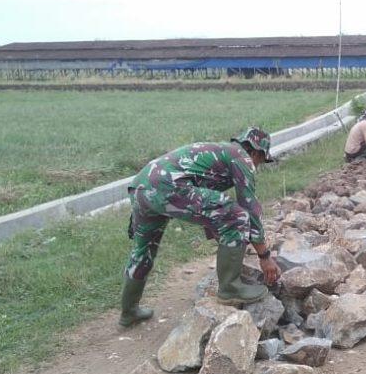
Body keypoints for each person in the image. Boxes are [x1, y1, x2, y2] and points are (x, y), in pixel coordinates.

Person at [120, 127, 281, 327]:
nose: (258, 165)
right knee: (238, 216)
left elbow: (207, 204)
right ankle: (230, 288)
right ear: (256, 152)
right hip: (168, 185)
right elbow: (249, 207)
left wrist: (226, 238)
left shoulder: (220, 152)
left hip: (141, 186)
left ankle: (129, 311)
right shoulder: (241, 157)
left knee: (144, 249)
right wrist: (264, 256)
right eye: (261, 161)